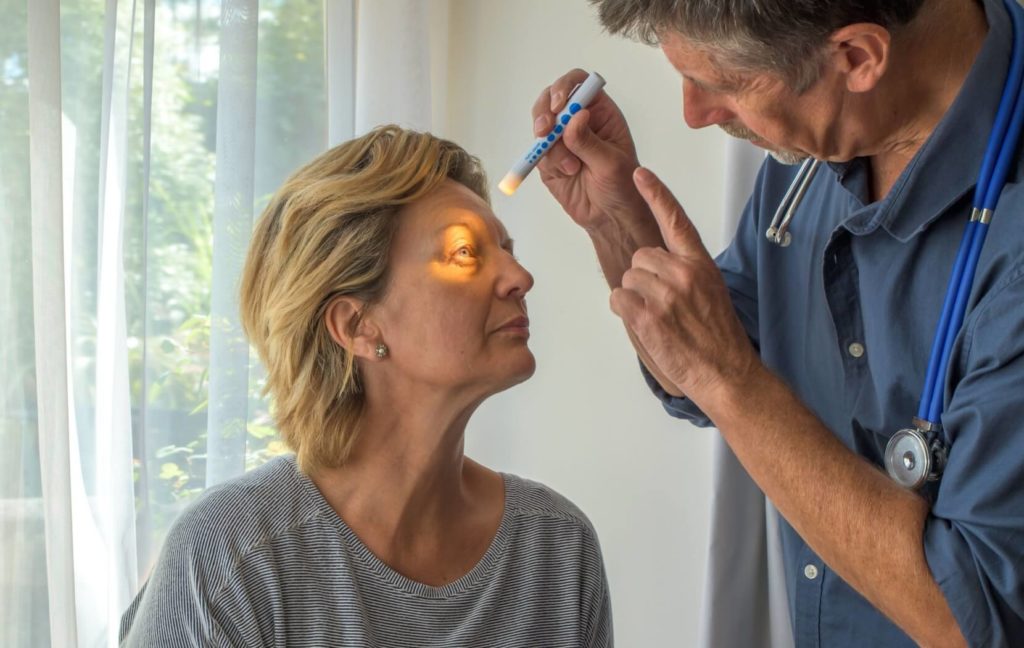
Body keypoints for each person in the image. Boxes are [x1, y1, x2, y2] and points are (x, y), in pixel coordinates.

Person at [530, 0, 1024, 646]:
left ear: (857, 57)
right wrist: (616, 220)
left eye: (723, 86)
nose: (694, 114)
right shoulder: (820, 149)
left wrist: (729, 381)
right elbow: (700, 370)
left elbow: (973, 618)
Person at [119, 126, 613, 647]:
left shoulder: (557, 546)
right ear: (356, 327)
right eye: (466, 253)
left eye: (507, 249)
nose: (519, 276)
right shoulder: (229, 559)